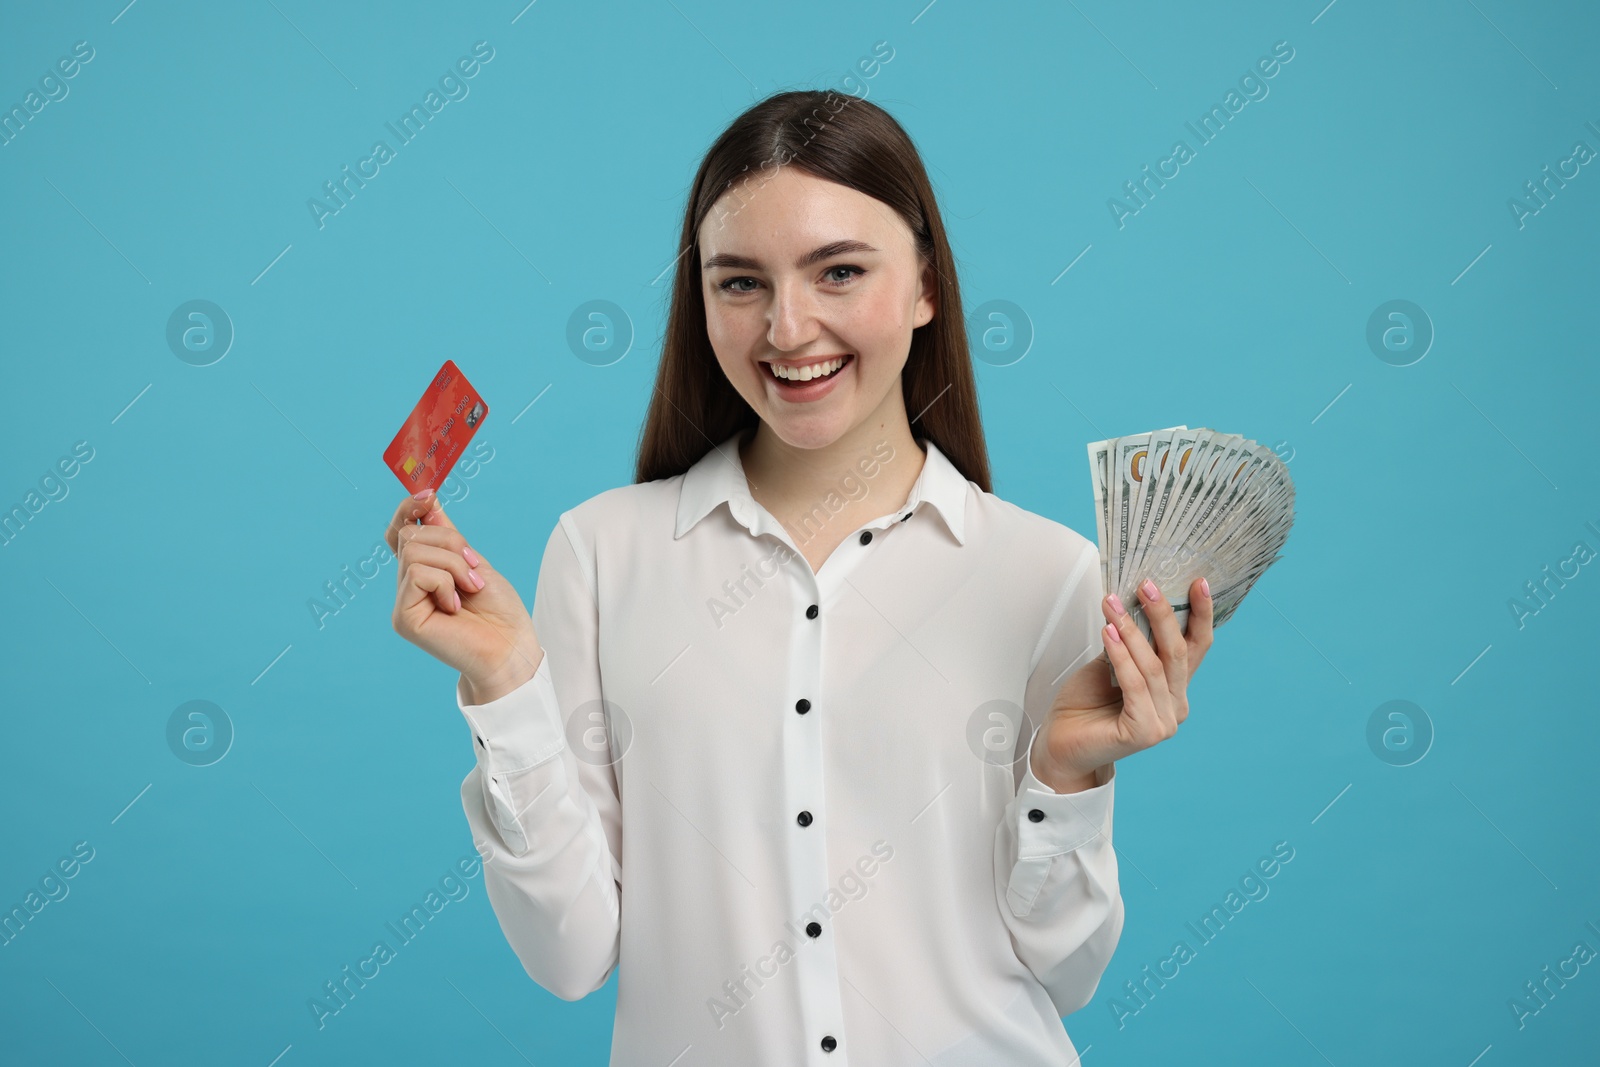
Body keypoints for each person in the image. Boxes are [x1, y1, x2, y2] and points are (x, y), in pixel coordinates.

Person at [385, 89, 1213, 1066]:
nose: (787, 328)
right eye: (739, 283)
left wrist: (1066, 774)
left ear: (925, 286)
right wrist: (506, 687)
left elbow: (1067, 972)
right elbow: (569, 954)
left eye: (839, 271)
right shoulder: (603, 554)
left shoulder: (1045, 572)